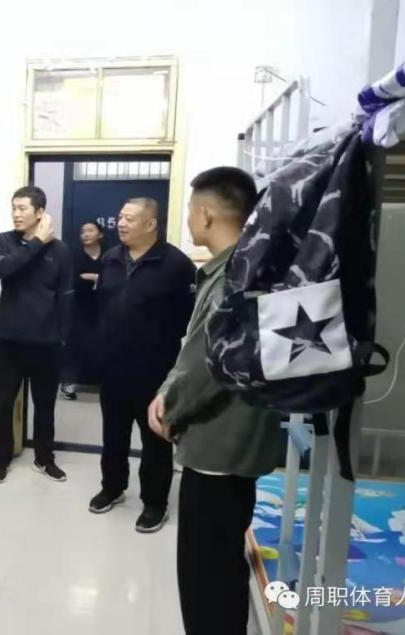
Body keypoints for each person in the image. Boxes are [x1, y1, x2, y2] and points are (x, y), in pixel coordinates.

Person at [147, 168, 280, 634]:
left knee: (206, 574)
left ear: (205, 213)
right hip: (233, 444)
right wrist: (169, 390)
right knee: (219, 564)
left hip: (219, 447)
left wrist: (169, 405)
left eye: (190, 210)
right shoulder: (247, 266)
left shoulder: (232, 278)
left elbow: (209, 363)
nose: (188, 219)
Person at [88, 198, 196, 533]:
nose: (121, 223)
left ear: (151, 224)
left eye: (130, 218)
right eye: (120, 217)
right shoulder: (110, 259)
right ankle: (112, 487)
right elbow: (102, 307)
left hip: (155, 370)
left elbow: (187, 318)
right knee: (113, 433)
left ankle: (155, 502)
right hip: (113, 366)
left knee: (156, 439)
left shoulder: (176, 265)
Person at [0, 186, 73, 484]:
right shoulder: (2, 241)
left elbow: (66, 295)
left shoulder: (61, 251)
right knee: (3, 402)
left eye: (22, 208)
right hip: (10, 338)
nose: (16, 213)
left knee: (45, 404)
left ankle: (44, 458)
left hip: (47, 341)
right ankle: (1, 458)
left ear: (40, 212)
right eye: (13, 208)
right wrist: (37, 242)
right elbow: (7, 270)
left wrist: (63, 336)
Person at [59, 221, 104, 401]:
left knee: (104, 344)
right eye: (82, 231)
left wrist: (94, 277)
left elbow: (114, 279)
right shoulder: (74, 254)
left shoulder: (110, 255)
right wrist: (98, 279)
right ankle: (68, 383)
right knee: (74, 344)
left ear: (100, 234)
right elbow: (72, 279)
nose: (85, 234)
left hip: (103, 306)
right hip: (78, 305)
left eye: (90, 230)